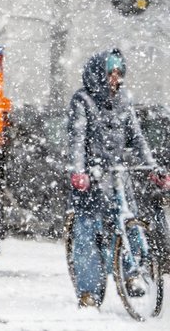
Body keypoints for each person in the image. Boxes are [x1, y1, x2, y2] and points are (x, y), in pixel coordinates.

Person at [67, 48, 170, 308]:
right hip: (92, 177)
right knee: (87, 233)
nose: (116, 78)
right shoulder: (83, 100)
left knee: (129, 223)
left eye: (119, 72)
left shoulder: (124, 100)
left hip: (118, 176)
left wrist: (152, 167)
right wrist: (79, 171)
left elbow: (137, 138)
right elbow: (77, 138)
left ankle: (133, 273)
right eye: (110, 72)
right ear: (98, 74)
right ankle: (89, 293)